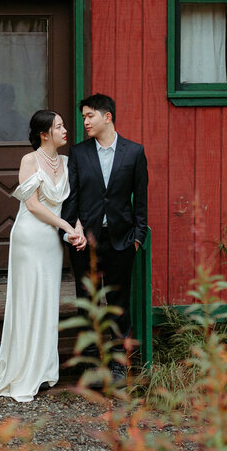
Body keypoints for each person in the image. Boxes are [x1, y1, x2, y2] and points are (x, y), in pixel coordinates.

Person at [0, 110, 86, 403]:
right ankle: (21, 369)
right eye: (59, 126)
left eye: (64, 125)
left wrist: (76, 230)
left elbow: (74, 203)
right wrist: (67, 226)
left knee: (47, 302)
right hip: (30, 238)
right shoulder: (29, 161)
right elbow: (32, 205)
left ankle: (43, 369)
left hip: (52, 242)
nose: (65, 130)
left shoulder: (68, 162)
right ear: (45, 133)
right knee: (28, 301)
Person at [61, 94, 148, 379]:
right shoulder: (78, 153)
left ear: (107, 117)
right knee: (86, 298)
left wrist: (137, 237)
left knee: (118, 303)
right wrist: (73, 232)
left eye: (89, 116)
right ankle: (88, 362)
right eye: (83, 117)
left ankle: (119, 364)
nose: (84, 121)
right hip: (85, 240)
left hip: (122, 240)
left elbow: (141, 200)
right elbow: (72, 198)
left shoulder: (134, 152)